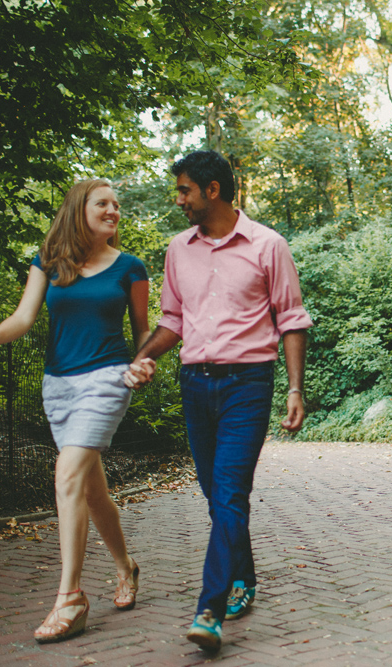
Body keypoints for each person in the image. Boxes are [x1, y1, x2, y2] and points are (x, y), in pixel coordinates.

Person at [124, 150, 312, 651]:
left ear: (213, 190)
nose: (178, 199)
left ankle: (210, 609)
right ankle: (243, 577)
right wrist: (143, 358)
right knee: (217, 496)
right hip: (195, 385)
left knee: (230, 493)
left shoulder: (268, 245)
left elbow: (291, 319)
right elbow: (171, 322)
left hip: (248, 384)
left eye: (185, 189)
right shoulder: (177, 250)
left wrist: (294, 389)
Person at [0, 179, 150, 643]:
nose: (113, 210)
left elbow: (143, 333)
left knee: (66, 475)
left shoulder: (130, 268)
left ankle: (70, 598)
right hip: (58, 386)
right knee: (91, 492)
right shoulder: (49, 261)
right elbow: (24, 317)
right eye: (103, 203)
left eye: (117, 205)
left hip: (107, 380)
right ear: (79, 209)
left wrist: (141, 364)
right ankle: (125, 566)